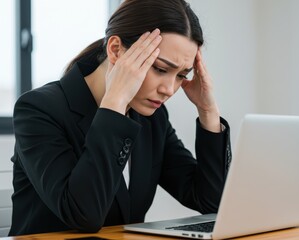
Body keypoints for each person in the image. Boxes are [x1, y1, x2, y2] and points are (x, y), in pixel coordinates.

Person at [9, 0, 232, 236]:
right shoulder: (39, 109)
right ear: (116, 50)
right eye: (160, 69)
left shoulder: (151, 118)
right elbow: (84, 215)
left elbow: (212, 203)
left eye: (181, 75)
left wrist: (208, 110)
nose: (169, 89)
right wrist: (114, 104)